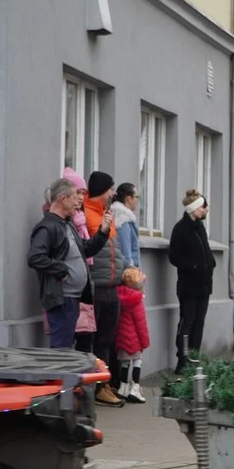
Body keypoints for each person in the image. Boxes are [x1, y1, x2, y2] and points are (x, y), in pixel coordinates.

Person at [28, 178, 111, 350]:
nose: (79, 200)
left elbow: (85, 250)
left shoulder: (67, 225)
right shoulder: (48, 227)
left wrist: (103, 232)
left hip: (73, 298)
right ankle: (59, 377)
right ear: (63, 199)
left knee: (67, 349)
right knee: (61, 350)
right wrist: (61, 269)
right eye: (75, 196)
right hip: (61, 299)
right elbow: (35, 257)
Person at [84, 171, 129, 405]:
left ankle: (104, 386)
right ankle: (91, 388)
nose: (113, 193)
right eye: (110, 189)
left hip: (112, 287)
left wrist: (125, 274)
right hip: (95, 288)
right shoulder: (86, 215)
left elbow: (114, 251)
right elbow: (88, 249)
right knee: (91, 341)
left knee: (107, 341)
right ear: (102, 190)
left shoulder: (106, 214)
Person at [168, 189, 216, 374]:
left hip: (204, 286)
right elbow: (174, 256)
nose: (205, 210)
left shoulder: (200, 228)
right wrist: (193, 266)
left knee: (199, 322)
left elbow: (206, 250)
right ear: (194, 208)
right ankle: (183, 359)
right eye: (203, 207)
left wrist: (210, 263)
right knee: (187, 322)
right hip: (189, 286)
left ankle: (195, 358)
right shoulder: (180, 229)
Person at [114, 267, 150, 403]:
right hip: (134, 339)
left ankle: (122, 387)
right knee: (137, 362)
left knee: (124, 363)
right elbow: (141, 324)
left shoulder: (119, 296)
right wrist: (144, 342)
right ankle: (135, 387)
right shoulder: (137, 300)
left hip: (122, 337)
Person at [110, 182, 142, 269]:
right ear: (129, 199)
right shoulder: (123, 219)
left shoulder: (121, 216)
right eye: (136, 197)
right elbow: (125, 249)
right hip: (127, 271)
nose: (137, 200)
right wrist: (131, 267)